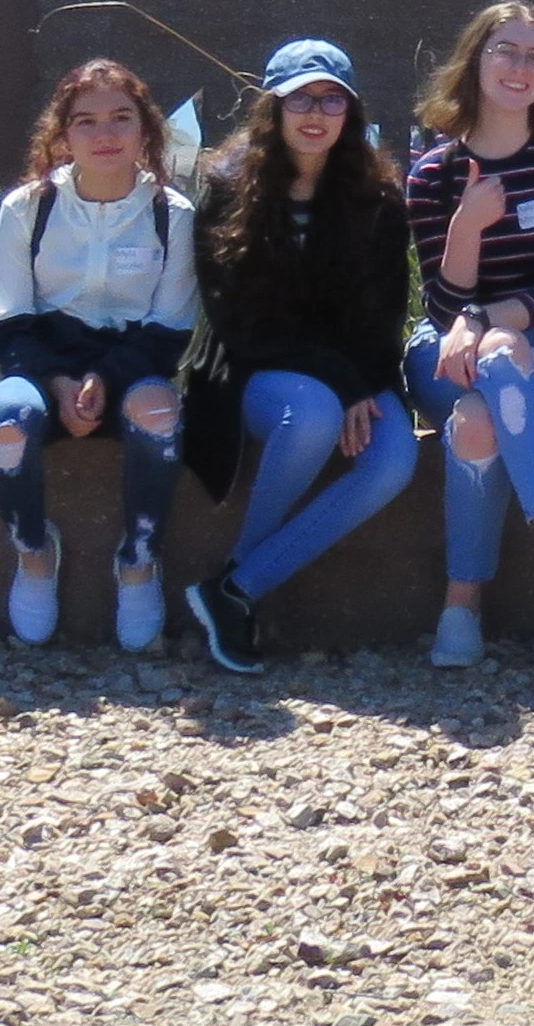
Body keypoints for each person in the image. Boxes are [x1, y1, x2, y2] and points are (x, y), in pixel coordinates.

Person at [176, 41, 421, 674]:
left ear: (351, 111)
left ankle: (235, 589)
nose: (317, 112)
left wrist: (362, 382)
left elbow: (385, 315)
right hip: (250, 370)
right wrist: (342, 383)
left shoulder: (379, 199)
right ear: (273, 107)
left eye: (332, 98)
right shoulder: (228, 189)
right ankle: (237, 599)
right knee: (310, 412)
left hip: (355, 373)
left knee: (395, 457)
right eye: (301, 98)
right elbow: (239, 323)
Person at [401, 0, 534, 669]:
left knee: (475, 421)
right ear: (476, 60)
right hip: (443, 353)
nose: (519, 66)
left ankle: (459, 607)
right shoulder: (433, 173)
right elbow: (443, 304)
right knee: (477, 381)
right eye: (506, 50)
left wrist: (482, 323)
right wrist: (467, 224)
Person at [0, 60, 199, 653]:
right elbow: (5, 319)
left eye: (121, 118)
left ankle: (139, 559)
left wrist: (104, 377)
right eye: (86, 121)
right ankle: (33, 552)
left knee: (158, 414)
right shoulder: (28, 207)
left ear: (145, 130)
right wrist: (55, 383)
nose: (105, 134)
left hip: (131, 363)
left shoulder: (171, 215)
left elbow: (169, 327)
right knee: (5, 424)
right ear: (62, 134)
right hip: (42, 364)